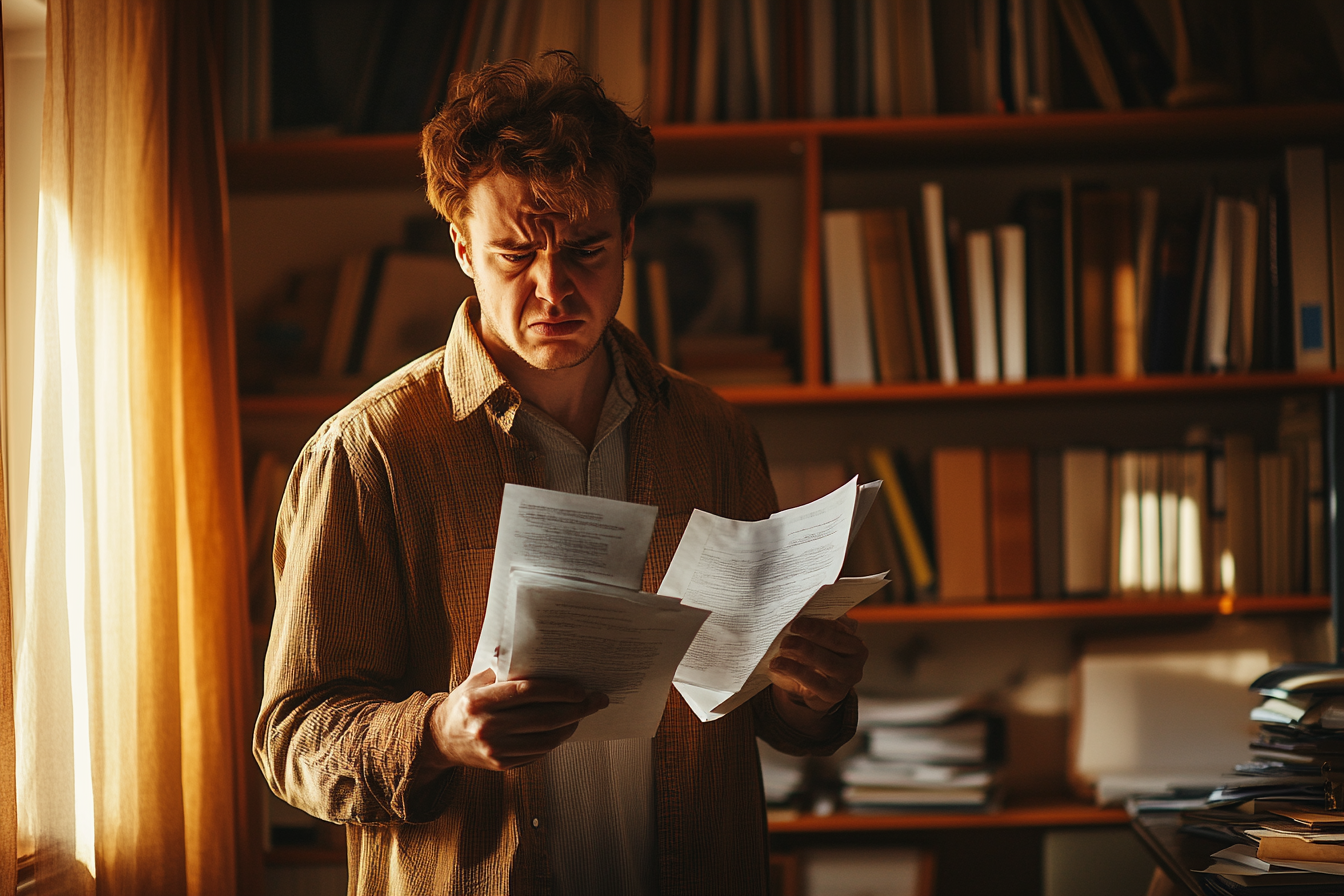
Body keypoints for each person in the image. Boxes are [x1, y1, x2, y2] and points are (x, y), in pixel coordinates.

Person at [255, 52, 869, 896]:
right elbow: (294, 738)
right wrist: (439, 731)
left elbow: (774, 715)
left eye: (586, 249)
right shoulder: (370, 453)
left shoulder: (715, 434)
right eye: (515, 253)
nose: (555, 289)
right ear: (463, 247)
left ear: (627, 240)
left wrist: (812, 693)